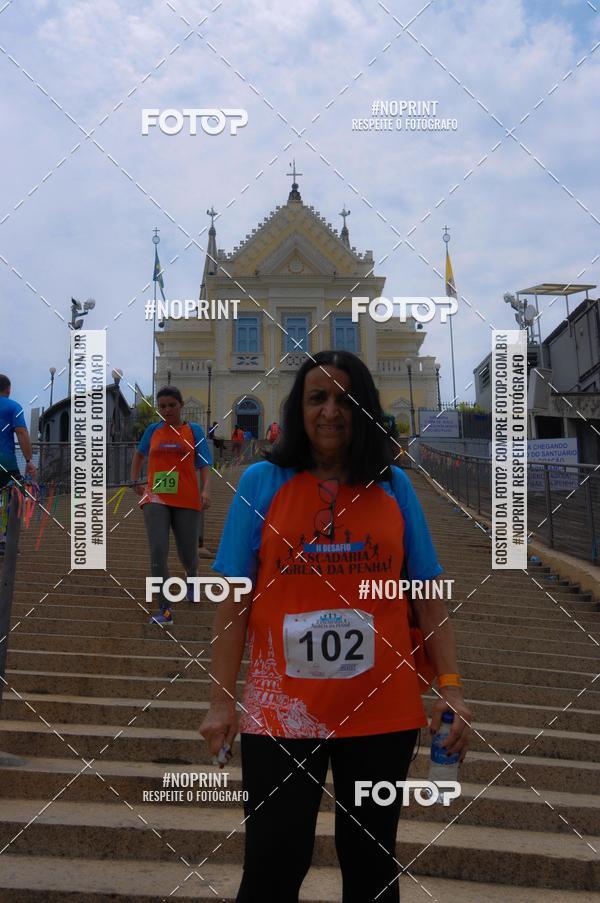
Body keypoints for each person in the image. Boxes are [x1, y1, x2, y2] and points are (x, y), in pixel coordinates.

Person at [200, 350, 471, 903]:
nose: (330, 411)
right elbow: (233, 602)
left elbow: (427, 595)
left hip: (382, 711)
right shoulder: (261, 482)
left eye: (346, 399)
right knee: (274, 863)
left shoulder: (394, 487)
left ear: (366, 409)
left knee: (371, 864)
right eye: (316, 397)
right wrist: (222, 702)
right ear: (297, 409)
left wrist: (452, 689)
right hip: (283, 713)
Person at [130, 386, 212, 624]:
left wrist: (206, 490)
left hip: (186, 497)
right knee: (157, 550)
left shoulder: (193, 431)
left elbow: (204, 464)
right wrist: (135, 479)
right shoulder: (152, 430)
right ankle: (165, 608)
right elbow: (139, 455)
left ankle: (192, 575)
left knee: (187, 554)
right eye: (162, 406)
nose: (167, 410)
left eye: (171, 406)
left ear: (181, 405)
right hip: (156, 496)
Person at [0, 375, 36, 552]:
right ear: (8, 390)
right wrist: (29, 460)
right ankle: (5, 540)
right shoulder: (14, 407)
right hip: (5, 460)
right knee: (15, 496)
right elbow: (21, 432)